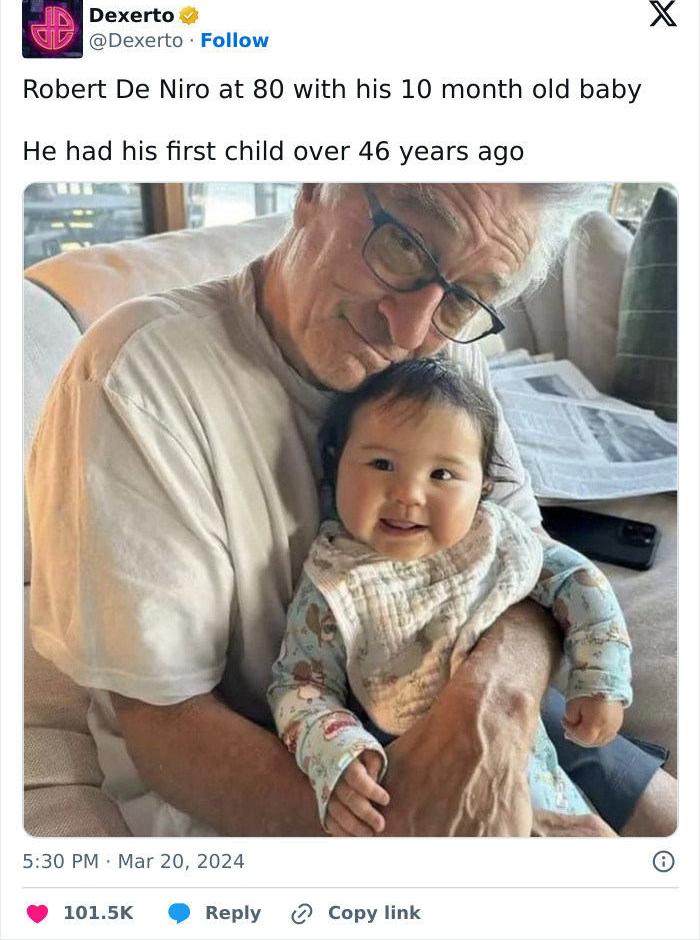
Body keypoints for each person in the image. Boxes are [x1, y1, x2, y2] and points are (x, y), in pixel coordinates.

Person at [27, 183, 675, 837]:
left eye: (464, 297)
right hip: (296, 760)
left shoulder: (445, 351)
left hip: (479, 690)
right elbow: (164, 724)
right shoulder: (139, 381)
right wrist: (424, 831)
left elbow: (521, 556)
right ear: (316, 187)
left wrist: (494, 711)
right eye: (404, 244)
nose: (413, 328)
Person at [268, 358, 631, 836]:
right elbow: (300, 686)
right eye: (381, 464)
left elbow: (575, 580)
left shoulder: (494, 541)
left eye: (442, 474)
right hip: (413, 794)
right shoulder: (334, 580)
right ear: (335, 468)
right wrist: (336, 753)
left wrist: (601, 677)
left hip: (532, 776)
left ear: (483, 488)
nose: (409, 493)